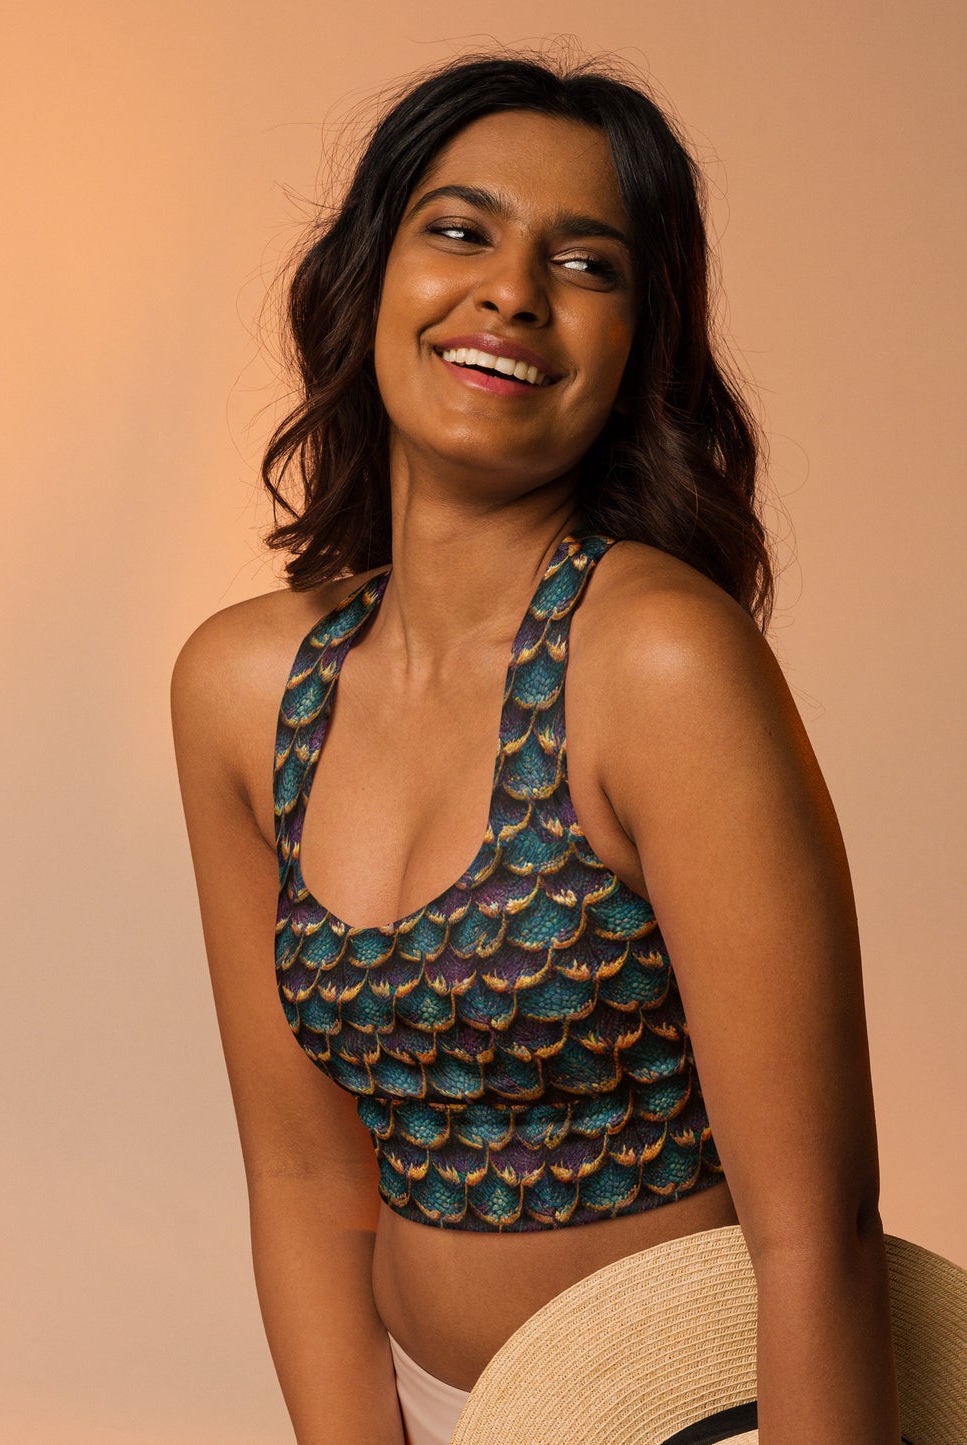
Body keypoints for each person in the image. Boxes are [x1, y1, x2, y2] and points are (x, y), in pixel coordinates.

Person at [171, 47, 901, 1445]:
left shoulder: (660, 661)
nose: (511, 290)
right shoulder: (242, 689)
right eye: (460, 231)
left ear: (637, 350)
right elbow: (304, 1178)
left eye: (585, 264)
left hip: (717, 1417)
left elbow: (818, 1225)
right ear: (368, 281)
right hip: (431, 1410)